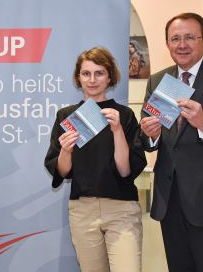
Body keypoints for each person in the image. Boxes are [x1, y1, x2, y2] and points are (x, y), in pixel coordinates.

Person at [45, 47, 147, 272]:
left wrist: (118, 130)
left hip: (122, 209)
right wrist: (66, 150)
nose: (92, 80)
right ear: (78, 78)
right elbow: (62, 172)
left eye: (99, 73)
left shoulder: (125, 115)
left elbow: (124, 170)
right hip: (83, 210)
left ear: (110, 76)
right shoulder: (66, 116)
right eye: (86, 73)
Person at [140, 12, 203, 272]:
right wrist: (150, 133)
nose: (181, 44)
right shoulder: (158, 80)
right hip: (169, 198)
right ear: (167, 44)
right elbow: (148, 140)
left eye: (189, 37)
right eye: (175, 38)